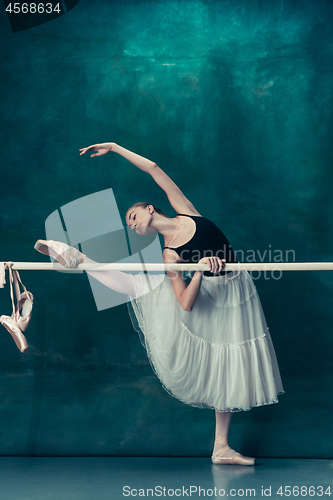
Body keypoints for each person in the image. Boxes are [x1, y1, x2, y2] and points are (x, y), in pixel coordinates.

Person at [35, 142, 285, 465]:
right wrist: (197, 271)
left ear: (150, 208)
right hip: (207, 292)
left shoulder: (187, 211)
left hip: (235, 292)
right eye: (129, 224)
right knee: (138, 285)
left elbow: (153, 169)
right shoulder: (169, 254)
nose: (132, 223)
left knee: (229, 361)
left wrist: (114, 148)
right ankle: (80, 258)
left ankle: (221, 446)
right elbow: (185, 303)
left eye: (133, 216)